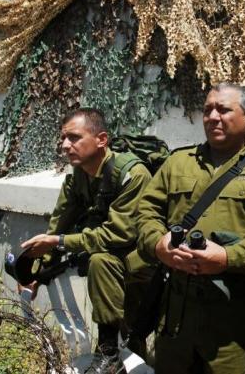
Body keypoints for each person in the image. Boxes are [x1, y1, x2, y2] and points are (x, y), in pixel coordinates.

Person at [136, 83, 245, 374]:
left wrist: (227, 258)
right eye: (208, 110)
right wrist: (159, 245)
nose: (212, 117)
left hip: (231, 322)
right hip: (175, 317)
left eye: (223, 109)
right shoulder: (178, 162)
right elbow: (147, 212)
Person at [20, 108, 152, 373]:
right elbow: (60, 222)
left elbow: (119, 234)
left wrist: (58, 242)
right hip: (113, 253)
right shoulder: (79, 175)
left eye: (74, 137)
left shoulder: (133, 174)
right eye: (63, 138)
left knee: (101, 264)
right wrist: (38, 271)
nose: (65, 145)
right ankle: (118, 351)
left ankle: (109, 351)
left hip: (147, 257)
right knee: (102, 264)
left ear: (101, 139)